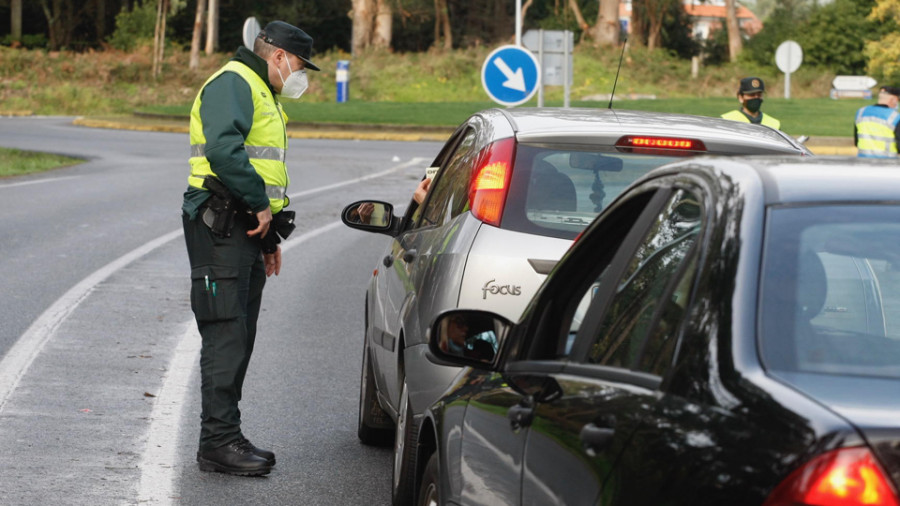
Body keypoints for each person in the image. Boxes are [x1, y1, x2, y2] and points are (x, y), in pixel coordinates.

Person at [181, 20, 320, 477]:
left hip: (243, 229)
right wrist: (260, 206)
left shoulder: (263, 92)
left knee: (240, 334)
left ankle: (226, 436)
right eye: (300, 65)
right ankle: (217, 442)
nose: (302, 75)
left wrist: (270, 237)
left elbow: (262, 167)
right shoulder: (234, 84)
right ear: (278, 56)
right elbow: (224, 150)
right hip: (221, 223)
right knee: (225, 332)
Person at [854, 85, 900, 158]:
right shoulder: (895, 117)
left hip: (863, 162)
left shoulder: (861, 112)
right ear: (894, 99)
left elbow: (856, 142)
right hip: (887, 163)